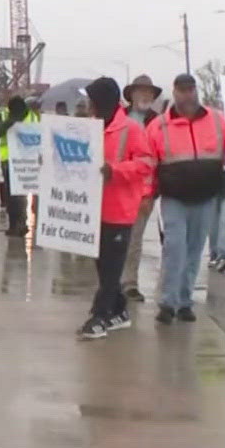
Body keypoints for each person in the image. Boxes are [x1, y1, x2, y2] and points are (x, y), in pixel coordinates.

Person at [146, 73, 225, 325]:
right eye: (182, 90)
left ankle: (184, 301)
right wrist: (146, 196)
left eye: (191, 89)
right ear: (175, 93)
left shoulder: (217, 121)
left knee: (194, 251)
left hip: (205, 197)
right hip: (174, 199)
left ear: (196, 91)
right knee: (174, 249)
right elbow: (148, 163)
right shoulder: (158, 126)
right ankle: (167, 303)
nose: (187, 94)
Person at [79, 77, 156, 340]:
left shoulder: (131, 130)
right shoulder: (91, 128)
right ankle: (120, 310)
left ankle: (100, 316)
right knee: (102, 265)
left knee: (112, 268)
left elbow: (146, 163)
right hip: (94, 209)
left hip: (120, 209)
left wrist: (117, 171)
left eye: (92, 101)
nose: (88, 106)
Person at [120, 75, 163, 302]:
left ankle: (129, 284)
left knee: (134, 238)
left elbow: (159, 160)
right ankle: (112, 281)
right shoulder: (118, 118)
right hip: (117, 186)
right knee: (115, 238)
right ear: (132, 94)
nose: (145, 96)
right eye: (141, 91)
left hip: (144, 191)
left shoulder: (159, 122)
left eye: (150, 93)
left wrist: (152, 192)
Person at [0, 96, 39, 237]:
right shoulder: (5, 116)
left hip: (27, 161)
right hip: (8, 160)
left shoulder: (32, 117)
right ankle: (14, 224)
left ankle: (21, 223)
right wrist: (10, 122)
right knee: (11, 196)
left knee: (20, 195)